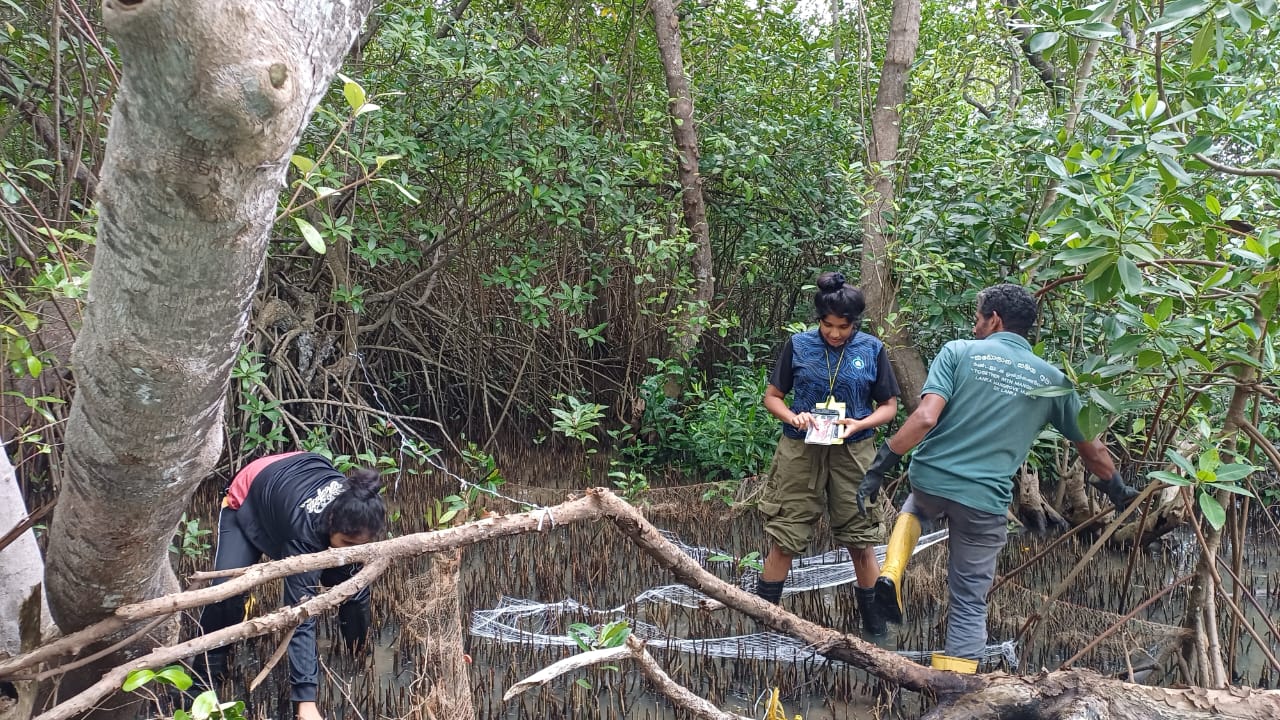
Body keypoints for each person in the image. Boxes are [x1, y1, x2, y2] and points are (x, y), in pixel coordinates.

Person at [855, 284, 1138, 673]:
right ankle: (954, 691)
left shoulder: (957, 352)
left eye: (978, 319)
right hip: (984, 501)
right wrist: (1119, 491)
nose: (975, 327)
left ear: (995, 320)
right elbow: (1093, 451)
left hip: (931, 479)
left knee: (916, 506)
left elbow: (924, 417)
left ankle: (891, 571)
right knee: (969, 600)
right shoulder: (1054, 381)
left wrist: (880, 465)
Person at [755, 271, 901, 636]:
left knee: (861, 540)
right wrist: (793, 416)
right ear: (819, 319)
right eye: (828, 325)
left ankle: (875, 635)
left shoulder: (871, 349)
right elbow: (772, 397)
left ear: (855, 323)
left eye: (843, 327)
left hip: (853, 452)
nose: (835, 333)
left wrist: (861, 423)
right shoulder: (799, 345)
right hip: (800, 450)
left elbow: (889, 406)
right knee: (785, 536)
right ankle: (762, 629)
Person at [196, 452, 386, 720]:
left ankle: (359, 653)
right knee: (225, 594)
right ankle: (202, 681)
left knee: (353, 586)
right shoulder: (304, 533)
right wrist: (305, 700)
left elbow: (353, 560)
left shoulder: (361, 504)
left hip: (298, 471)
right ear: (331, 522)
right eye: (347, 544)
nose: (354, 551)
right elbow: (300, 614)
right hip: (250, 491)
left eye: (361, 546)